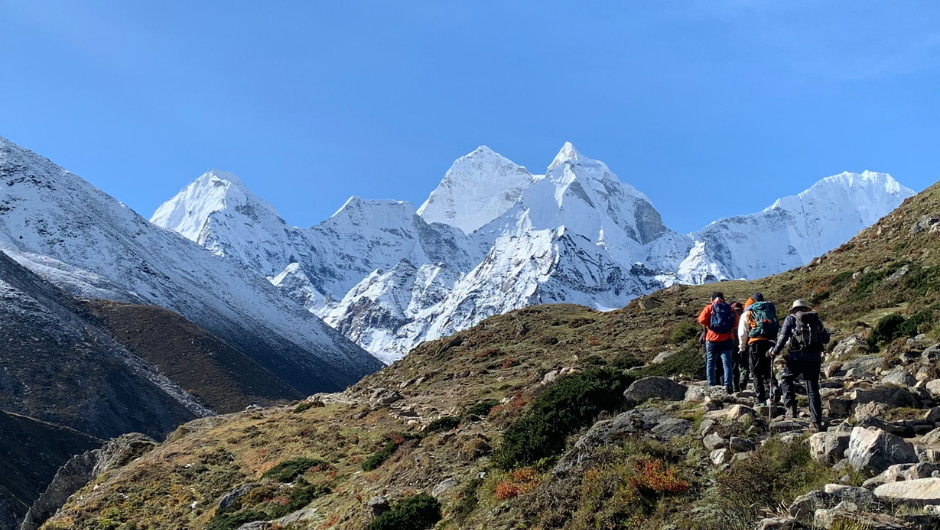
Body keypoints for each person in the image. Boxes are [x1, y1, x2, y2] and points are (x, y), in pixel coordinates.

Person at [771, 299, 830, 432]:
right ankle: (816, 422)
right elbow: (826, 339)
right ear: (805, 309)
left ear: (794, 310)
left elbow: (783, 337)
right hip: (814, 359)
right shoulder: (816, 321)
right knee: (812, 389)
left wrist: (775, 351)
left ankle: (791, 408)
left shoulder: (790, 319)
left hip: (796, 357)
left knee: (786, 378)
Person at [738, 293, 778, 406]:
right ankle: (774, 386)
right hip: (770, 342)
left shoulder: (748, 313)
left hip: (755, 343)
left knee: (756, 372)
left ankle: (761, 399)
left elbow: (742, 333)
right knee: (767, 369)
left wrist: (742, 348)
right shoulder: (769, 311)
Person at [698, 292, 736, 393]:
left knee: (710, 363)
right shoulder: (730, 308)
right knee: (727, 364)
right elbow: (736, 323)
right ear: (723, 299)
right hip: (727, 339)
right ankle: (728, 386)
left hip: (712, 339)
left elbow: (701, 320)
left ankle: (711, 386)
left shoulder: (709, 308)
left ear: (712, 299)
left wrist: (710, 326)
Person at [730, 302, 748, 392]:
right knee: (744, 365)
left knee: (734, 366)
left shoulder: (730, 315)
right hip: (745, 344)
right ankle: (743, 383)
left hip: (732, 344)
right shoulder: (746, 315)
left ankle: (735, 387)